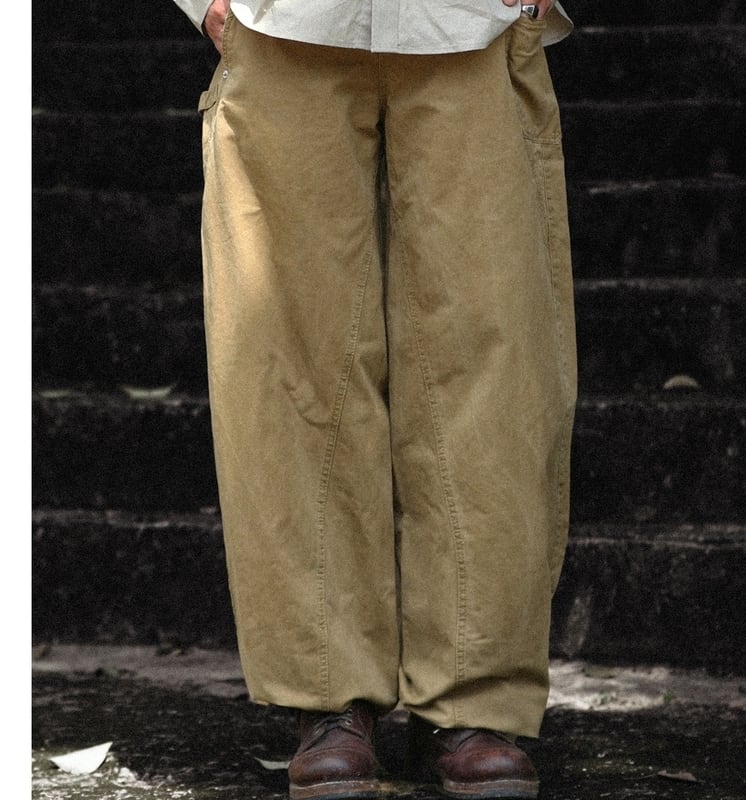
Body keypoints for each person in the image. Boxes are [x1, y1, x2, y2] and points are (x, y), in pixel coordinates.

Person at [172, 1, 577, 797]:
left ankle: (473, 698)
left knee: (495, 352)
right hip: (281, 18)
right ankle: (326, 695)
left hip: (476, 18)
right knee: (287, 361)